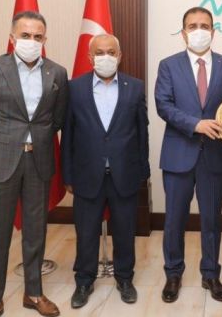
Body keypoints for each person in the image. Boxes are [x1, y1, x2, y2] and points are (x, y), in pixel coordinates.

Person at [0, 11, 68, 317]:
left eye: (38, 36)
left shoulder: (57, 73)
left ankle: (33, 294)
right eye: (25, 35)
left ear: (45, 40)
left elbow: (57, 119)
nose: (31, 41)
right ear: (12, 38)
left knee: (36, 231)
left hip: (38, 160)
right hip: (2, 162)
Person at [154, 6, 222, 303]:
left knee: (212, 220)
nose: (199, 31)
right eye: (193, 26)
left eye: (205, 25)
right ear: (183, 33)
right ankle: (173, 273)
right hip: (178, 154)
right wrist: (196, 124)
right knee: (174, 220)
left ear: (213, 32)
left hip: (215, 157)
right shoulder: (168, 65)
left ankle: (211, 274)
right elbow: (163, 105)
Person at [61, 34, 149, 308]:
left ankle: (125, 278)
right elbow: (68, 134)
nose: (106, 57)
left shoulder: (135, 87)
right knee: (86, 232)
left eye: (111, 52)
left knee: (125, 231)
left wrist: (143, 171)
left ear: (120, 56)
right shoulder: (74, 88)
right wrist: (67, 175)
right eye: (99, 52)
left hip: (125, 174)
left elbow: (142, 133)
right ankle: (84, 281)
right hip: (86, 174)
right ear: (90, 57)